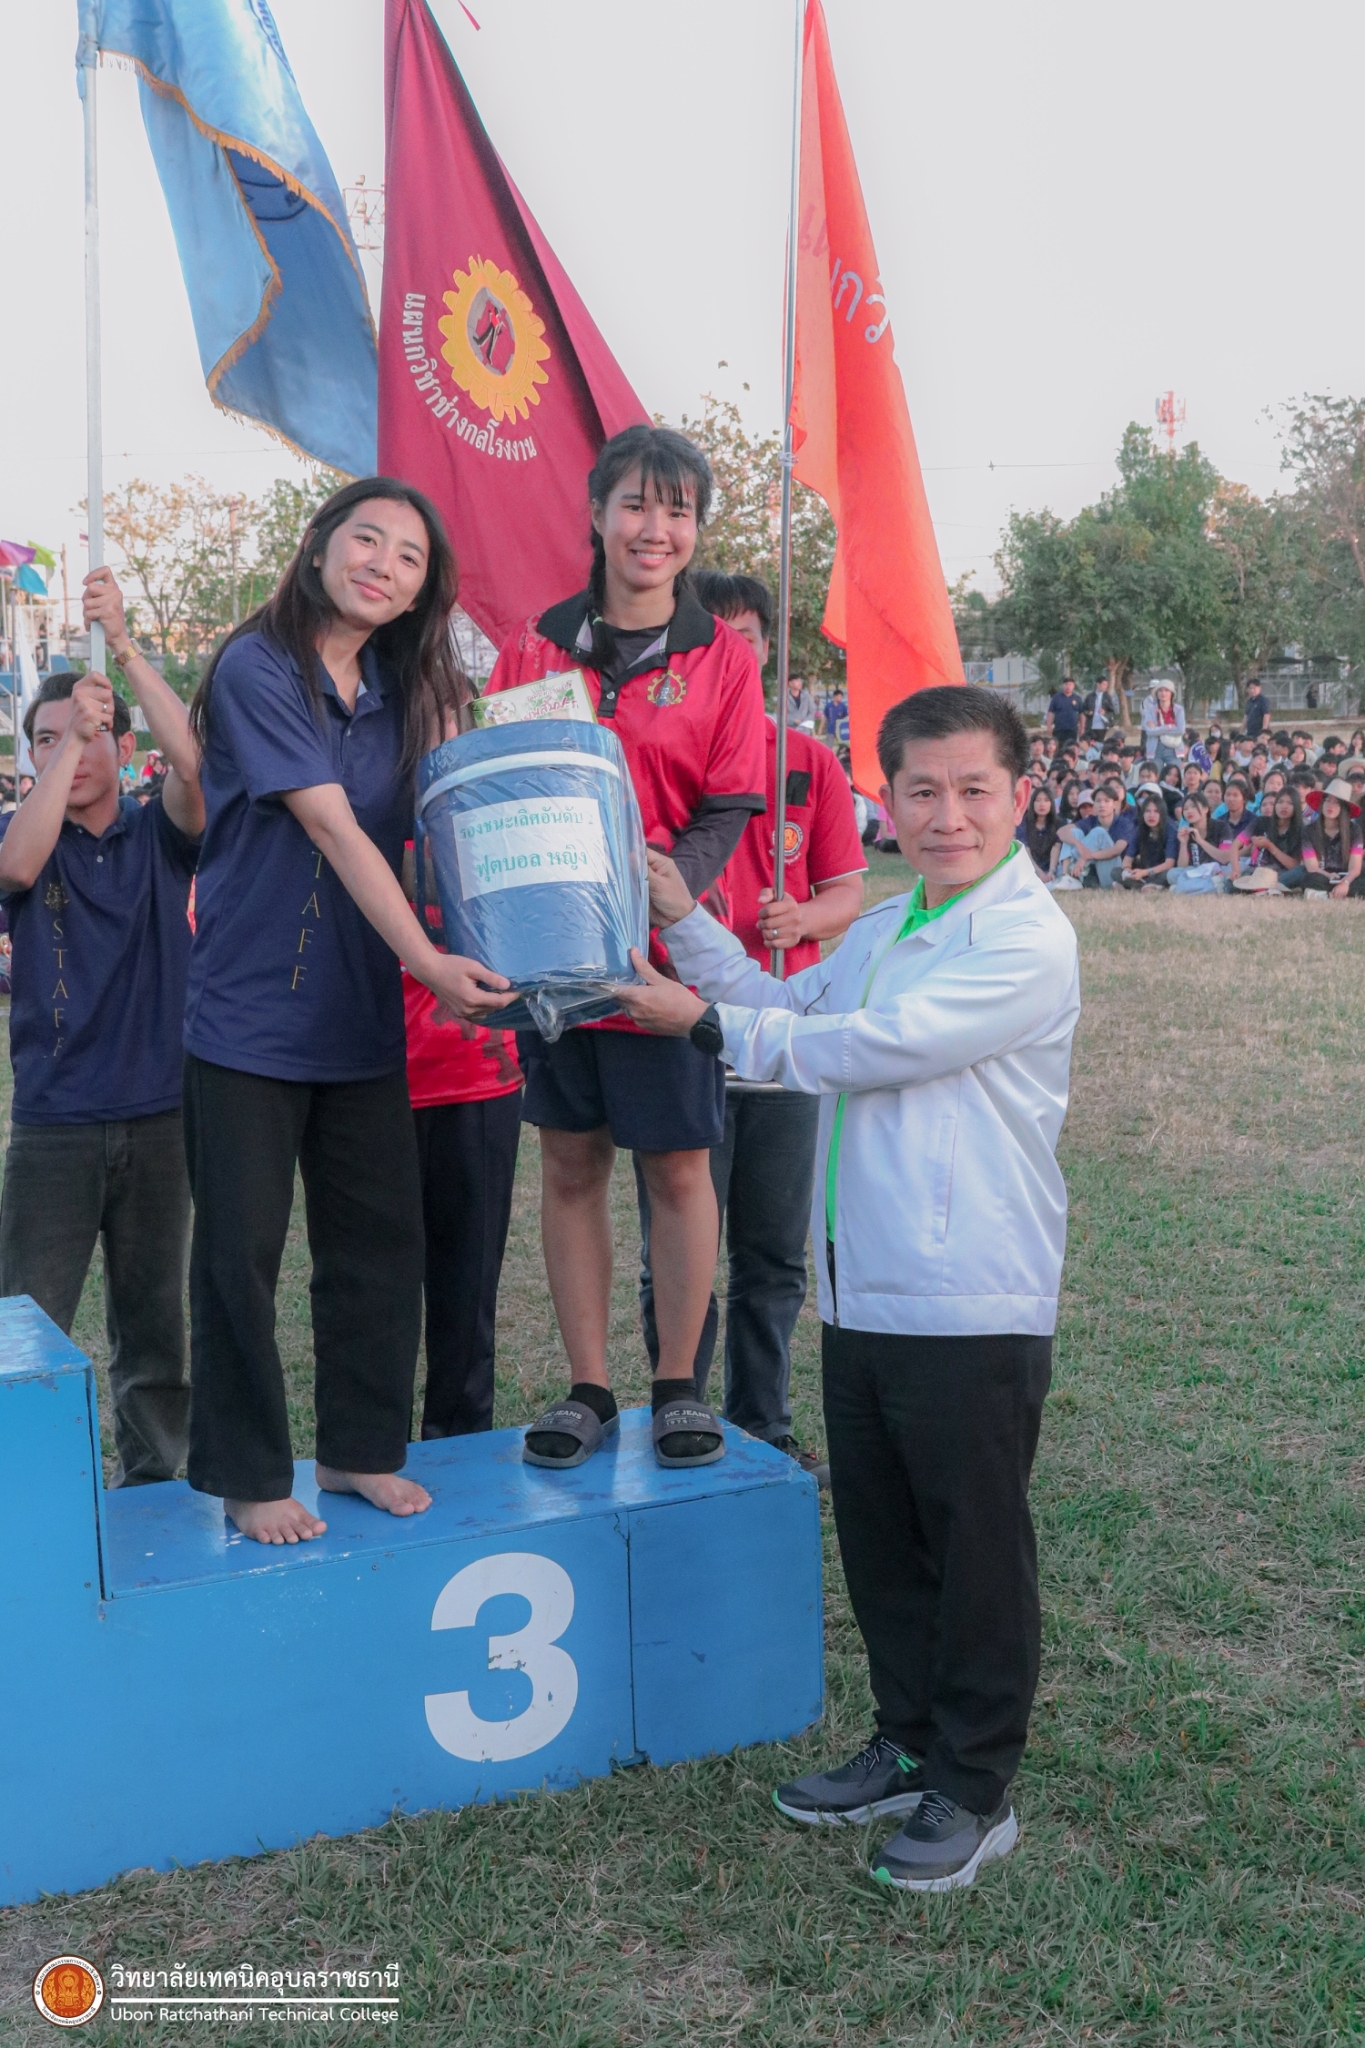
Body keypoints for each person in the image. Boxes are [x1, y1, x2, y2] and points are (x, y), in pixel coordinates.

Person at [610, 684, 1079, 1893]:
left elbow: (868, 1048)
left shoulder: (1024, 937)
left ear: (1020, 796)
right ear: (887, 801)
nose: (947, 814)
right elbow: (789, 1003)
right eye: (921, 790)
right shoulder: (887, 926)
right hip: (864, 1290)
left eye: (974, 789)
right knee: (881, 1537)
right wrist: (685, 920)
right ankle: (908, 1739)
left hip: (970, 1294)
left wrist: (700, 1023)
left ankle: (976, 1786)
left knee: (975, 1551)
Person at [182, 477, 514, 1546]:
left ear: (422, 591)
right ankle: (247, 1474)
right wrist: (429, 962)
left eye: (409, 557)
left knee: (377, 1243)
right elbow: (329, 823)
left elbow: (441, 829)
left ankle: (359, 1450)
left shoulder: (401, 689)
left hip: (359, 1014)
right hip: (248, 1014)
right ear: (320, 545)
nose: (383, 564)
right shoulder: (256, 664)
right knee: (239, 1254)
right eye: (366, 539)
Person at [483, 424, 767, 1472]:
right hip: (551, 950)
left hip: (658, 959)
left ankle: (678, 1386)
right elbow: (504, 777)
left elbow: (729, 803)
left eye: (678, 510)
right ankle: (591, 1387)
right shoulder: (534, 645)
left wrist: (668, 889)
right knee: (568, 1161)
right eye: (638, 505)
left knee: (679, 1164)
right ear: (598, 513)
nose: (657, 529)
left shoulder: (721, 656)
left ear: (695, 529)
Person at [635, 569, 865, 1471]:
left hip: (782, 1035)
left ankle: (762, 1425)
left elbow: (846, 890)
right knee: (676, 1249)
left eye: (748, 636)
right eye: (713, 636)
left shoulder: (806, 761)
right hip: (678, 1026)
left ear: (768, 650)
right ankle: (681, 1412)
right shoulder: (659, 755)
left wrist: (802, 919)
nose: (732, 651)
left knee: (771, 1255)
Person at [0, 567, 203, 1486]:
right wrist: (68, 741)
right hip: (55, 1124)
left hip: (160, 1116)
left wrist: (122, 648)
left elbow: (195, 771)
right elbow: (16, 867)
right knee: (25, 1327)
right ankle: (27, 1494)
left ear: (124, 746)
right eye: (45, 740)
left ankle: (156, 1488)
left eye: (84, 735)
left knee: (155, 1334)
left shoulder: (157, 833)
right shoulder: (27, 838)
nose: (68, 752)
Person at [404, 924, 523, 1438]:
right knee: (372, 1290)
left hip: (478, 1068)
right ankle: (368, 1448)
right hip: (367, 1070)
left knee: (469, 1291)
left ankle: (461, 1450)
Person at [1281, 779, 1365, 897]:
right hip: (1321, 875)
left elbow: (1355, 867)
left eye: (1336, 802)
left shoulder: (1354, 830)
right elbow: (1312, 867)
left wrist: (1345, 883)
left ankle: (1326, 894)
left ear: (1343, 808)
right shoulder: (1309, 830)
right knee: (1305, 875)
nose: (1330, 805)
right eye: (1327, 800)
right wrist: (1329, 876)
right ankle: (1330, 893)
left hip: (1347, 877)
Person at [1236, 786, 1304, 891]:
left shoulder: (1300, 830)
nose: (1284, 806)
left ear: (1296, 807)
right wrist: (1235, 870)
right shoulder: (1262, 821)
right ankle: (1261, 887)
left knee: (1301, 871)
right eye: (1280, 802)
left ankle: (1265, 887)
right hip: (1258, 872)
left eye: (1290, 803)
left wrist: (1270, 846)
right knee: (1232, 882)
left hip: (1281, 876)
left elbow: (1294, 865)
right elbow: (1236, 845)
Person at [1169, 791, 1232, 892]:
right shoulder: (1187, 831)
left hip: (1218, 870)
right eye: (1185, 809)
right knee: (1172, 874)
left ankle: (1185, 887)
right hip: (1197, 871)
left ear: (1205, 809)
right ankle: (1209, 886)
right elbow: (1182, 866)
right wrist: (1183, 843)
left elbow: (1225, 858)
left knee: (1230, 870)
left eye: (1193, 807)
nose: (1189, 811)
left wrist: (1200, 841)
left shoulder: (1222, 827)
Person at [1120, 792, 1177, 888]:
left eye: (1156, 811)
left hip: (1160, 871)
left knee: (1169, 874)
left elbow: (1169, 864)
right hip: (1144, 870)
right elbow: (1128, 858)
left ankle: (1141, 886)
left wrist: (1144, 873)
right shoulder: (1140, 829)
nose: (1151, 815)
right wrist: (1127, 870)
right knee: (1116, 872)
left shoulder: (1171, 829)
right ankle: (1146, 886)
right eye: (1148, 811)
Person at [1017, 785, 1062, 881]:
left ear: (1051, 803)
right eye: (1038, 800)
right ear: (1032, 803)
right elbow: (1025, 850)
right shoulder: (1024, 823)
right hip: (1029, 866)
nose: (1042, 804)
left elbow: (1056, 847)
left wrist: (1051, 871)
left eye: (1046, 800)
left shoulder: (1058, 823)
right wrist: (1038, 872)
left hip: (1052, 867)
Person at [1141, 681, 1186, 767]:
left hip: (1174, 748)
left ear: (1171, 693)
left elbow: (1180, 730)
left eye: (1166, 690)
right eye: (1160, 690)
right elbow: (1149, 731)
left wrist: (1157, 728)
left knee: (1174, 773)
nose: (1163, 693)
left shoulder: (1179, 710)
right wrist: (1169, 727)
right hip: (1156, 748)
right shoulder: (1151, 710)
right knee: (1155, 773)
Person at [1045, 675, 1081, 743]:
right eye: (1066, 684)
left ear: (1073, 686)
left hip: (1072, 730)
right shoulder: (1056, 698)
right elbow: (1050, 712)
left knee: (1071, 747)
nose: (1068, 686)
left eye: (1070, 685)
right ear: (1063, 685)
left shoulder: (1077, 698)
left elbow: (1081, 714)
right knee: (1058, 746)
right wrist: (1049, 726)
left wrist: (1082, 727)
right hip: (1059, 729)